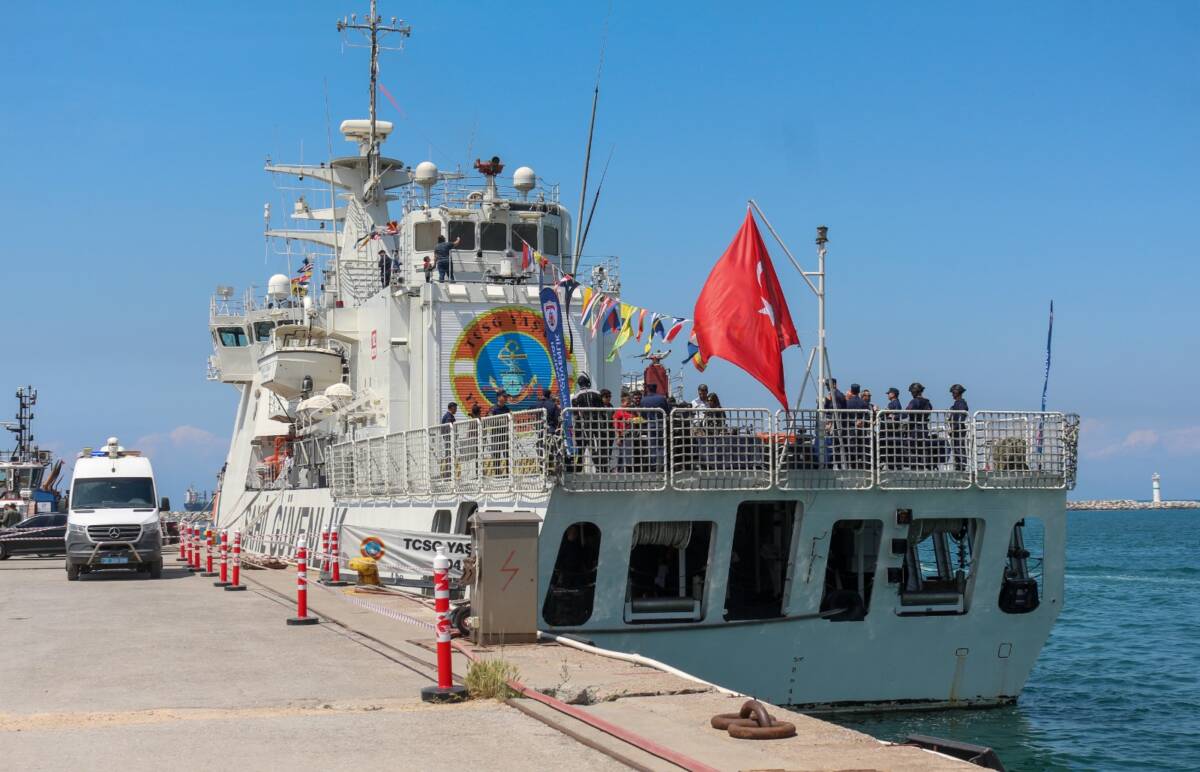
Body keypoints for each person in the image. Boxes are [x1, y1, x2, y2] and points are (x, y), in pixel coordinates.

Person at [570, 374, 606, 472]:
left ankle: (579, 469)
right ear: (588, 382)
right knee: (599, 446)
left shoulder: (576, 397)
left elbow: (576, 415)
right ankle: (601, 468)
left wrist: (576, 428)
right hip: (597, 423)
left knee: (587, 446)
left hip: (583, 425)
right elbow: (603, 410)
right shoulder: (597, 393)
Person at [640, 383, 670, 472]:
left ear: (648, 389)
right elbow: (667, 411)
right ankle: (661, 465)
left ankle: (654, 465)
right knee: (661, 446)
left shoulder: (643, 400)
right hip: (660, 424)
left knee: (652, 446)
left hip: (650, 425)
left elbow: (643, 415)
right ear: (656, 388)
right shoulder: (661, 398)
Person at [906, 382, 934, 470]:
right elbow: (930, 410)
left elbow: (907, 411)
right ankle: (923, 466)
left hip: (915, 428)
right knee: (923, 448)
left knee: (913, 448)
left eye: (912, 392)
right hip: (924, 427)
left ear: (914, 391)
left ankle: (914, 467)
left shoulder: (914, 401)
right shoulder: (927, 402)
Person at [844, 384, 869, 469]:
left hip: (850, 427)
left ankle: (852, 465)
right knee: (862, 446)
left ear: (851, 391)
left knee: (851, 447)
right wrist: (861, 421)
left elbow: (844, 416)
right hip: (861, 428)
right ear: (859, 391)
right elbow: (868, 415)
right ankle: (863, 464)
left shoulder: (847, 403)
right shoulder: (863, 403)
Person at [948, 384, 969, 472]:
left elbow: (961, 417)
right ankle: (958, 464)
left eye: (953, 393)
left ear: (957, 392)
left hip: (959, 429)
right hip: (955, 429)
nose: (952, 394)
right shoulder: (957, 403)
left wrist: (954, 428)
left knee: (959, 446)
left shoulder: (961, 403)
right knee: (956, 447)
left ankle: (962, 465)